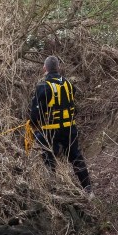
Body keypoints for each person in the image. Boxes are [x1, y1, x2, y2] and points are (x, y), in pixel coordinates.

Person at [27, 55, 91, 190]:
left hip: (51, 130)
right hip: (69, 129)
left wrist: (32, 125)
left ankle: (53, 188)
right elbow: (72, 106)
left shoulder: (42, 87)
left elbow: (34, 114)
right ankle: (88, 189)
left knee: (48, 157)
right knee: (76, 157)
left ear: (45, 68)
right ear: (58, 68)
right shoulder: (69, 84)